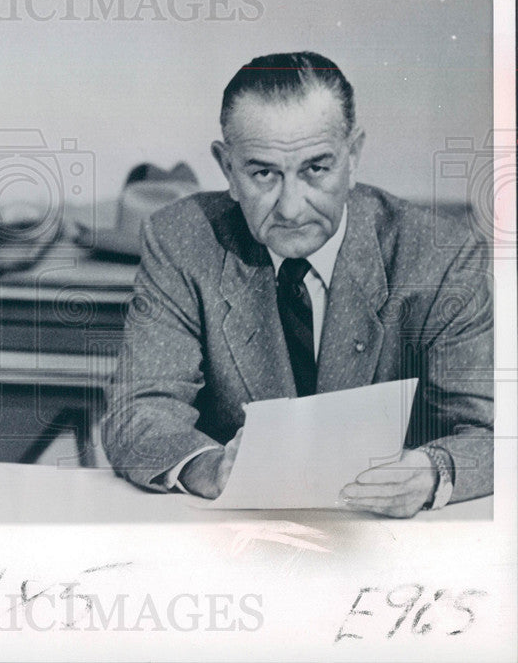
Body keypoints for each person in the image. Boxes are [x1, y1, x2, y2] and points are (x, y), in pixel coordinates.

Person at [101, 52, 493, 517]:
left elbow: (492, 433)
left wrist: (433, 473)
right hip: (238, 537)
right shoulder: (182, 240)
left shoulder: (439, 254)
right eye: (263, 173)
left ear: (353, 157)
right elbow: (139, 411)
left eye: (316, 170)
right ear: (227, 169)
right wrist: (210, 468)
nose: (290, 208)